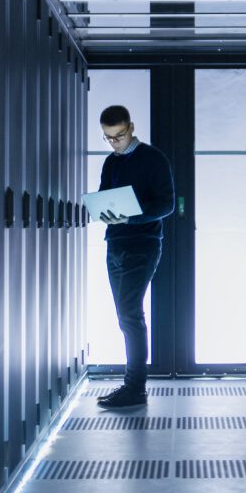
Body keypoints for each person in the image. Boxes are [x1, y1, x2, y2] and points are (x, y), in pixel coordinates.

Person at [93, 105, 174, 409]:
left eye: (119, 136)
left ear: (131, 127)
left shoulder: (154, 159)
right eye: (108, 138)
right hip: (115, 244)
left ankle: (135, 388)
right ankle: (132, 385)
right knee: (125, 316)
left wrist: (130, 217)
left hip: (143, 243)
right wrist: (104, 211)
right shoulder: (110, 162)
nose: (115, 143)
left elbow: (166, 204)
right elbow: (103, 195)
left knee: (130, 315)